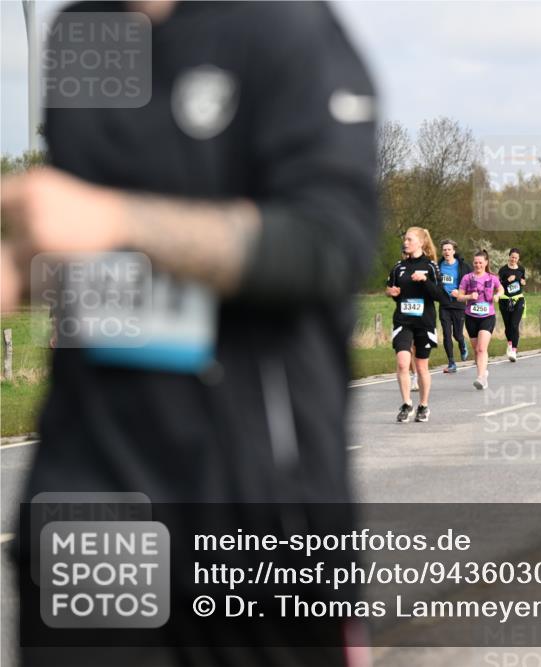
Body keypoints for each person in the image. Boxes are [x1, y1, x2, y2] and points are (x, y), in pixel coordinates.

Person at [2, 3, 377, 664]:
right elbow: (84, 246)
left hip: (254, 527)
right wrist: (21, 264)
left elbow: (330, 244)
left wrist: (119, 221)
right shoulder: (83, 31)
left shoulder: (286, 27)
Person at [387, 228, 441, 422]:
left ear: (420, 242)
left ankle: (423, 405)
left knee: (421, 366)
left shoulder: (431, 266)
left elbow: (439, 295)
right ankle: (407, 403)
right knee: (403, 363)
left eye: (409, 239)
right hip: (403, 320)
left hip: (424, 322)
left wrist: (425, 280)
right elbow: (391, 289)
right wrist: (391, 292)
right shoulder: (398, 267)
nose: (405, 242)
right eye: (405, 239)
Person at [457, 250, 502, 389]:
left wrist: (497, 295)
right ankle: (483, 373)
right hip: (471, 317)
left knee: (482, 348)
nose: (478, 265)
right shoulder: (467, 278)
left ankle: (481, 378)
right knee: (476, 350)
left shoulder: (492, 278)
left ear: (486, 263)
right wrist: (469, 297)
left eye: (480, 262)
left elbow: (501, 289)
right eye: (475, 262)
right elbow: (459, 296)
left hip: (487, 317)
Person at [438, 239, 472, 373]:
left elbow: (472, 283)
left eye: (449, 249)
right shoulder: (438, 266)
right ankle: (451, 363)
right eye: (444, 250)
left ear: (454, 251)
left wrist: (460, 292)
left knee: (457, 334)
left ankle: (462, 344)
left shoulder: (463, 266)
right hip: (444, 304)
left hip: (458, 303)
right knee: (446, 334)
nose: (446, 252)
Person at [497, 248, 526, 362]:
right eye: (512, 257)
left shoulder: (521, 269)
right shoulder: (503, 270)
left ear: (518, 259)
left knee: (514, 324)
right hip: (505, 299)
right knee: (508, 326)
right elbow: (498, 285)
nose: (514, 259)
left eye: (516, 258)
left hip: (518, 299)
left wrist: (522, 281)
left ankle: (514, 350)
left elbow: (523, 281)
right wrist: (507, 281)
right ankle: (509, 343)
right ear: (509, 257)